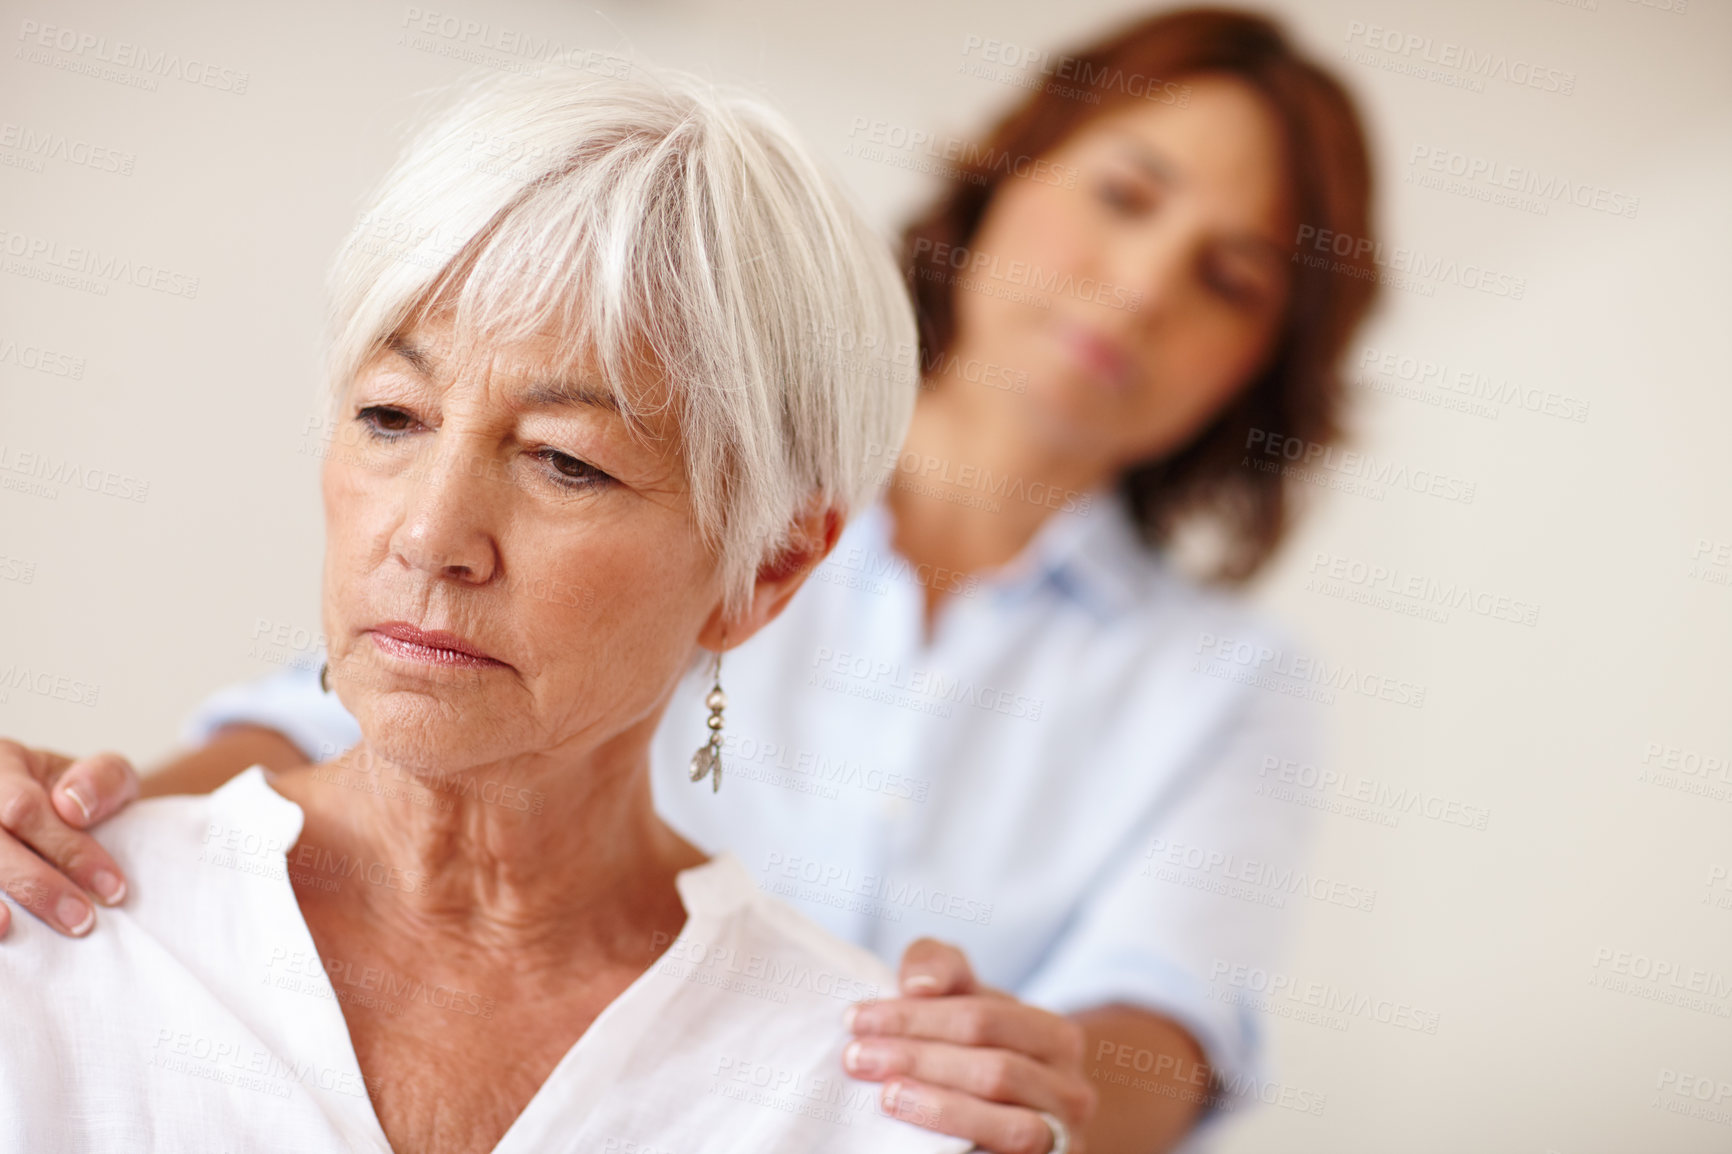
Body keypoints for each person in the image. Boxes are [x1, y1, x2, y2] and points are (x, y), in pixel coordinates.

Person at [0, 10, 1379, 1153]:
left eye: (1229, 277)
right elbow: (334, 713)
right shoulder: (77, 979)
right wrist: (70, 831)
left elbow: (1165, 1013)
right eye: (1124, 195)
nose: (1140, 286)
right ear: (1009, 175)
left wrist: (1006, 1084)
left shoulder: (1219, 680)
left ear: (770, 568)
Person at [0, 67, 983, 1154]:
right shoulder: (41, 924)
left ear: (769, 568)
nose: (427, 534)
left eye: (565, 461)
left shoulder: (866, 1096)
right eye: (390, 415)